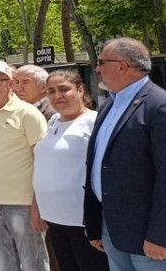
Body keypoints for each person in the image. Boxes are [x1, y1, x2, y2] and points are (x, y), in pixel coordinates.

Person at [85, 37, 166, 268]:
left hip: (150, 233)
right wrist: (95, 223)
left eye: (101, 62)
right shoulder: (108, 106)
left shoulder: (162, 106)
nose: (97, 69)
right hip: (113, 227)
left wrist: (160, 235)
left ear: (121, 66)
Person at [0, 59, 49, 271]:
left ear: (9, 83)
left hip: (23, 203)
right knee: (4, 263)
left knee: (33, 263)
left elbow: (41, 161)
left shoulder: (28, 113)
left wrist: (37, 204)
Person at [31, 70, 107, 271]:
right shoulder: (53, 121)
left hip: (83, 220)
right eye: (51, 91)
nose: (58, 96)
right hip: (54, 219)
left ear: (80, 90)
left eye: (64, 89)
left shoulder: (94, 122)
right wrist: (36, 206)